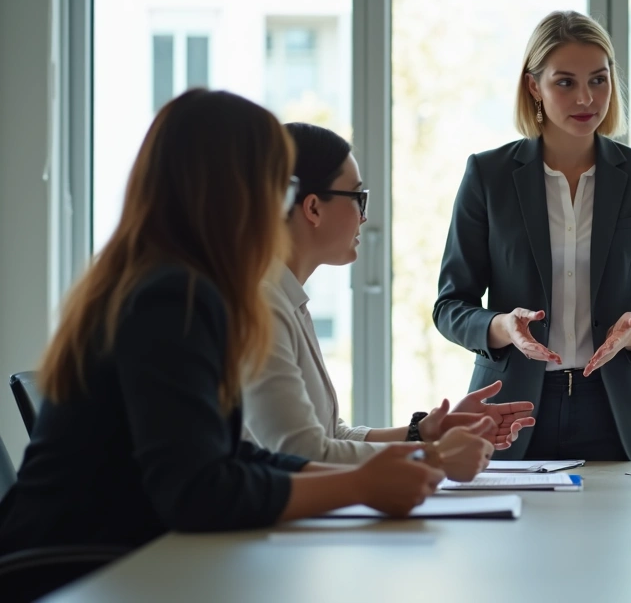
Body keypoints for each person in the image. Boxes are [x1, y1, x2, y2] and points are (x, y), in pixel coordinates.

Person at [0, 90, 445, 560]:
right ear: (237, 192)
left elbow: (230, 456)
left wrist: (371, 474)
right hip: (77, 575)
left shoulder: (164, 281)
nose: (283, 209)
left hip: (110, 559)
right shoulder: (172, 297)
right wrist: (358, 485)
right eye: (280, 188)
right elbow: (199, 492)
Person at [434, 10, 631, 461]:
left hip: (617, 414)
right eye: (565, 82)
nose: (586, 98)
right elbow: (450, 306)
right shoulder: (488, 175)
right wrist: (501, 327)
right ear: (534, 85)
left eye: (598, 79)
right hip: (510, 411)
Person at [241, 122, 536, 479]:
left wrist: (427, 432)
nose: (364, 217)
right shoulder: (262, 305)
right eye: (357, 198)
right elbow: (305, 454)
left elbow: (333, 435)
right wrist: (436, 457)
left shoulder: (286, 299)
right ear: (314, 208)